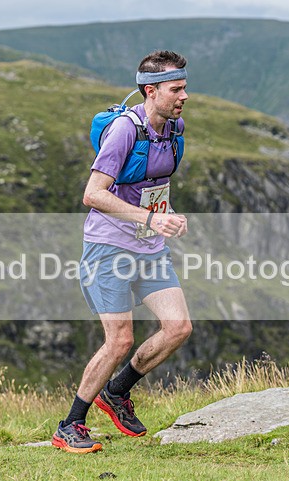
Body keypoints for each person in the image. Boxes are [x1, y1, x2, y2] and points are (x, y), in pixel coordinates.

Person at [52, 50, 193, 453]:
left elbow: (150, 184)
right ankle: (70, 425)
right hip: (109, 248)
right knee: (119, 341)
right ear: (151, 91)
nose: (184, 97)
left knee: (178, 328)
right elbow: (92, 194)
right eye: (176, 89)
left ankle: (116, 393)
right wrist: (149, 219)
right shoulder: (123, 132)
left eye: (184, 88)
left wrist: (165, 217)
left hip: (149, 248)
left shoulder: (173, 127)